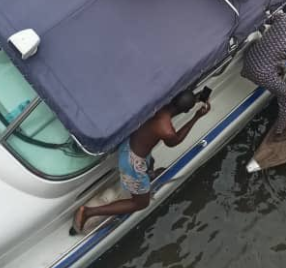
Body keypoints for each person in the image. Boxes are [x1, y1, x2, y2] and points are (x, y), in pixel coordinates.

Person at [71, 91, 210, 234]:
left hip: (129, 146)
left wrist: (196, 98)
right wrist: (196, 117)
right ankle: (89, 212)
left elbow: (176, 107)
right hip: (132, 164)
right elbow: (175, 140)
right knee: (140, 203)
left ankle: (148, 176)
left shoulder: (159, 105)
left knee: (150, 162)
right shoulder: (167, 130)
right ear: (185, 111)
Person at [241, 10, 286, 141]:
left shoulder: (285, 18)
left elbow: (266, 19)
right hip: (259, 74)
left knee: (276, 61)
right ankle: (279, 132)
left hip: (249, 61)